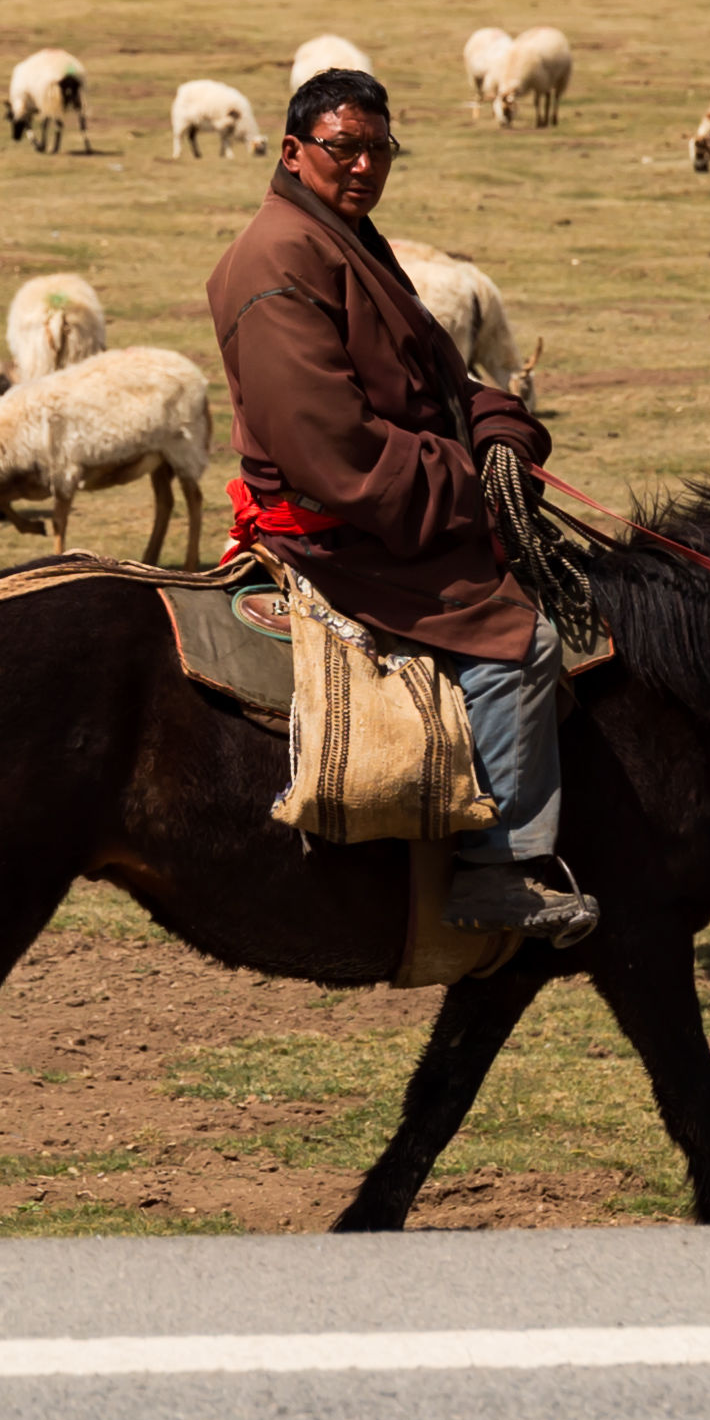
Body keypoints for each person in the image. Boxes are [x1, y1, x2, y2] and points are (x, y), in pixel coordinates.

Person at [203, 67, 597, 949]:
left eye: (379, 150)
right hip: (346, 529)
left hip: (404, 490)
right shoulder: (276, 262)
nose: (364, 166)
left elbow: (446, 384)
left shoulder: (343, 239)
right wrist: (472, 487)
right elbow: (331, 454)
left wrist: (502, 436)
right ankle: (496, 867)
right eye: (345, 148)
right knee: (519, 641)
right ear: (295, 151)